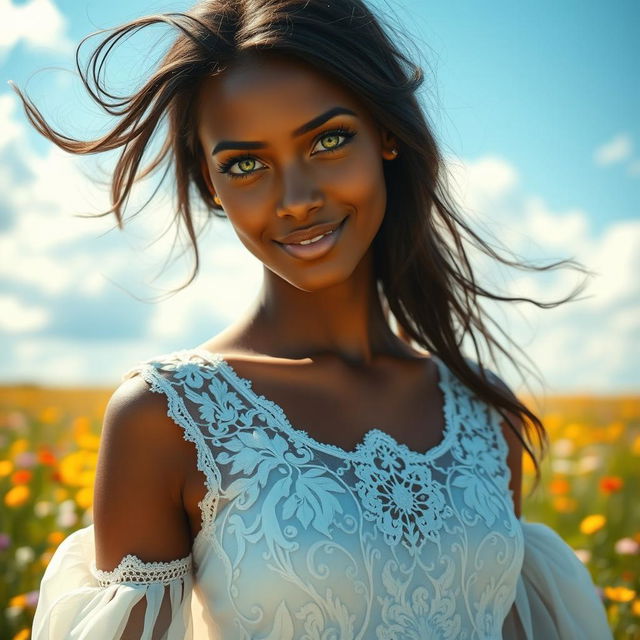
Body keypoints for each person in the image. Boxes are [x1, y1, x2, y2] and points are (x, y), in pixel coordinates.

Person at [19, 0, 612, 638]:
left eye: (328, 141)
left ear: (386, 132)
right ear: (209, 184)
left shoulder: (479, 414)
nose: (297, 200)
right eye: (245, 164)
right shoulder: (167, 418)